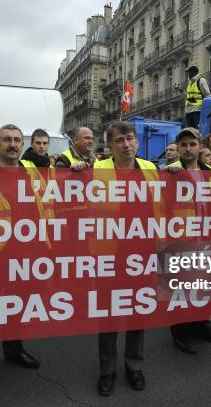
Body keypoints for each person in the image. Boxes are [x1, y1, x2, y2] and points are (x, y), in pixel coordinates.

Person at [0, 124, 41, 390]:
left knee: (17, 304)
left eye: (16, 140)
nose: (12, 144)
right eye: (6, 140)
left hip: (26, 252)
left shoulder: (34, 171)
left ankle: (14, 351)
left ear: (22, 143)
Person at [92, 121, 156, 396]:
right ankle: (107, 369)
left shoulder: (152, 170)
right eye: (119, 140)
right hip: (108, 253)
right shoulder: (96, 171)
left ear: (137, 142)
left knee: (137, 310)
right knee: (108, 313)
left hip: (143, 252)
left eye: (130, 139)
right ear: (110, 146)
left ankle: (134, 365)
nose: (126, 144)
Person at [164, 128, 211, 354]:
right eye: (183, 145)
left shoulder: (210, 171)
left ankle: (201, 325)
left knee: (205, 285)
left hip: (206, 238)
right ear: (178, 149)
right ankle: (180, 332)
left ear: (200, 146)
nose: (188, 149)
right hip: (181, 240)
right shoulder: (170, 172)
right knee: (181, 288)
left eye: (192, 144)